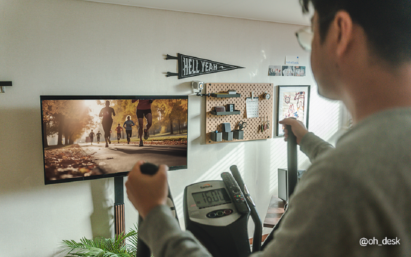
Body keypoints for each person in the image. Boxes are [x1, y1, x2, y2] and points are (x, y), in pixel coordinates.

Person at [126, 0, 411, 256]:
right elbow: (364, 170)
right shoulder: (378, 160)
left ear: (340, 32)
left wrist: (154, 212)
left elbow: (350, 173)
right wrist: (308, 140)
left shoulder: (342, 177)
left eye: (309, 36)